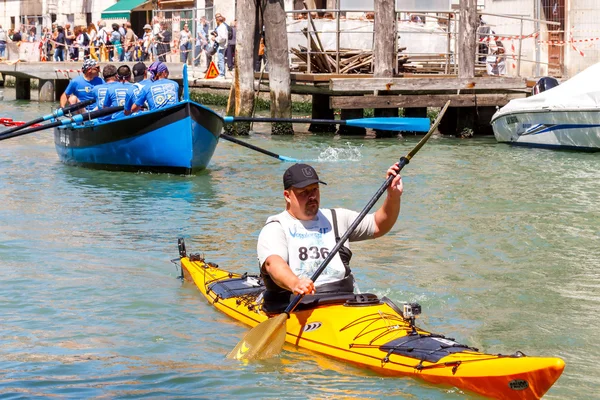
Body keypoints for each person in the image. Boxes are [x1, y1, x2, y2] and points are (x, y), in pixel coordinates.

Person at [257, 163, 403, 313]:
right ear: (287, 196)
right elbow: (273, 264)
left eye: (315, 189)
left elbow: (378, 225)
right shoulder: (276, 227)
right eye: (304, 192)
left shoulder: (336, 218)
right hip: (296, 306)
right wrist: (295, 283)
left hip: (343, 301)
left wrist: (393, 196)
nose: (312, 196)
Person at [214, 14, 228, 79]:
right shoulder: (222, 26)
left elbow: (223, 38)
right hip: (222, 45)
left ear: (218, 20)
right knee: (220, 60)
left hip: (221, 46)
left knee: (221, 60)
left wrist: (215, 39)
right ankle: (221, 73)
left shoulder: (222, 27)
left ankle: (222, 74)